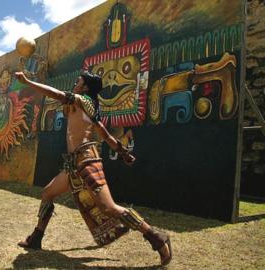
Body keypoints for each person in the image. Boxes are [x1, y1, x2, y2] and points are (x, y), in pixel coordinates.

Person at [14, 71, 172, 266]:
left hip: (87, 161)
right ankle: (36, 238)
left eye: (79, 80)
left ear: (86, 87)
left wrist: (28, 81)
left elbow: (55, 94)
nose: (75, 82)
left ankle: (157, 238)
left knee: (109, 207)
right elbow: (105, 135)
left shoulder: (82, 100)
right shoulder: (86, 106)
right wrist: (123, 153)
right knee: (47, 193)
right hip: (74, 164)